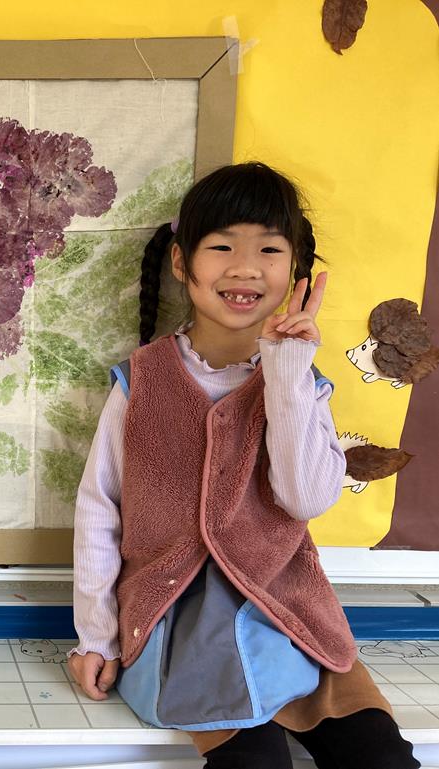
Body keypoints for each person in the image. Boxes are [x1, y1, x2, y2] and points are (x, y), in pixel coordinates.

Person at [68, 162, 418, 768]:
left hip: (291, 614)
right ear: (183, 263)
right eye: (223, 246)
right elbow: (99, 510)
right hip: (179, 620)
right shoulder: (141, 382)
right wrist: (96, 635)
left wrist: (287, 367)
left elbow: (306, 498)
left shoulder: (302, 382)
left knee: (379, 757)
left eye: (269, 250)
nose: (245, 268)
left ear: (295, 270)